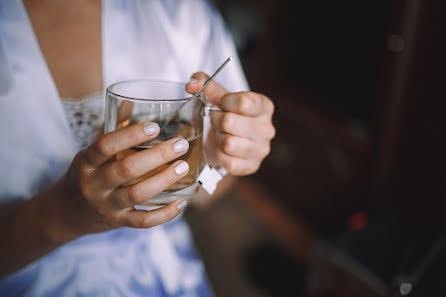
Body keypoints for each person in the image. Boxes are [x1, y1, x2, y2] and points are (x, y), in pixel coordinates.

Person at [0, 0, 275, 296]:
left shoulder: (182, 14)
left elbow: (209, 191)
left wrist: (213, 157)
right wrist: (59, 215)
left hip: (167, 278)